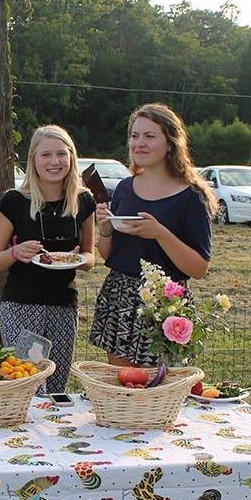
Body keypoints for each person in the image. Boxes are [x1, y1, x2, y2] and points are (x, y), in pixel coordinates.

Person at [89, 103, 218, 367]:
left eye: (150, 136)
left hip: (165, 305)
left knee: (161, 393)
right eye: (134, 136)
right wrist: (105, 229)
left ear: (171, 143)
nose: (139, 143)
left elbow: (199, 268)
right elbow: (108, 255)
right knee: (122, 389)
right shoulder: (125, 189)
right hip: (121, 299)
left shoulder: (191, 197)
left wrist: (160, 233)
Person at [0, 125, 97, 393]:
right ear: (33, 160)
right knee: (28, 384)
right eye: (46, 155)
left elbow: (91, 257)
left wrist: (77, 260)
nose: (54, 161)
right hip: (22, 305)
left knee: (57, 387)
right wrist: (15, 253)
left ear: (71, 158)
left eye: (61, 154)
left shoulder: (83, 201)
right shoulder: (14, 201)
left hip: (63, 305)